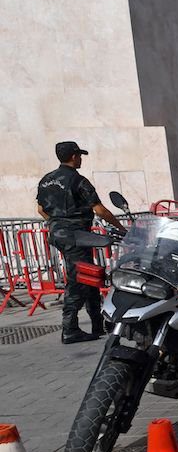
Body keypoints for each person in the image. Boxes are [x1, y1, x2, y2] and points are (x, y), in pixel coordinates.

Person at [36, 141, 126, 343]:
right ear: (74, 157)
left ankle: (97, 322)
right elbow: (100, 210)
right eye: (79, 155)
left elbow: (41, 209)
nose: (81, 159)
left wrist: (56, 224)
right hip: (76, 236)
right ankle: (70, 328)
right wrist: (122, 229)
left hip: (59, 234)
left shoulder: (46, 180)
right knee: (77, 280)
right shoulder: (78, 181)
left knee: (89, 275)